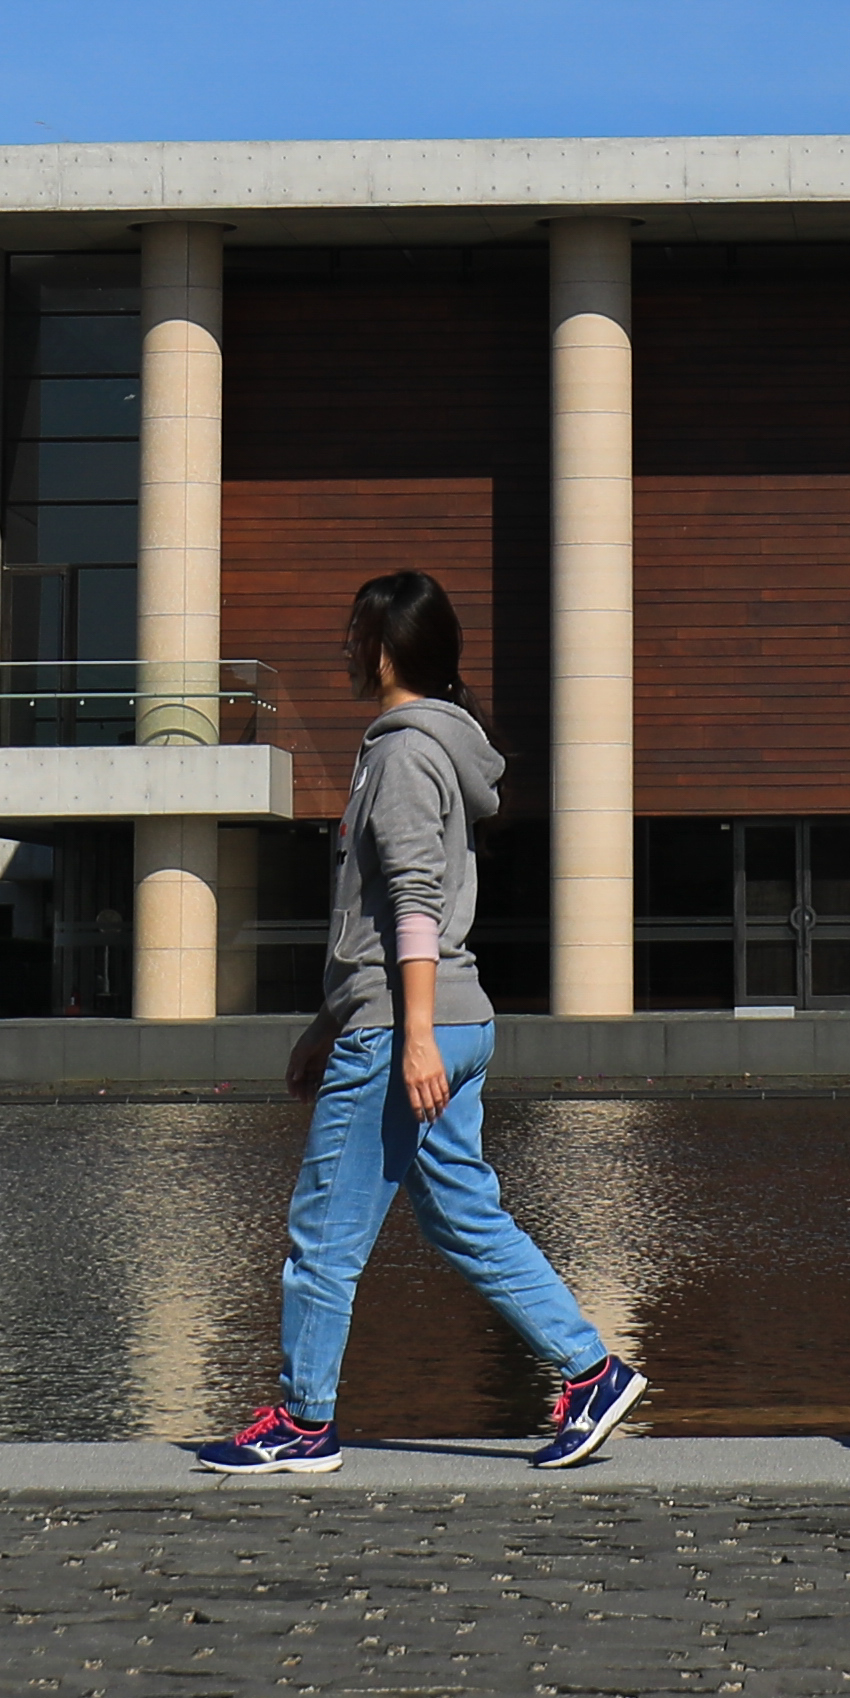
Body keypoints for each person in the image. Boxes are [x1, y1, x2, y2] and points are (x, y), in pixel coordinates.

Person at [191, 572, 650, 1477]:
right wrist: (329, 1023)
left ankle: (303, 1422)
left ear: (386, 652)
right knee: (462, 1217)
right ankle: (592, 1373)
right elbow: (380, 918)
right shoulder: (439, 746)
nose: (345, 649)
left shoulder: (402, 754)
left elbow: (412, 903)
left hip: (408, 1027)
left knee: (323, 1233)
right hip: (433, 1017)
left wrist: (412, 1035)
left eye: (354, 635)